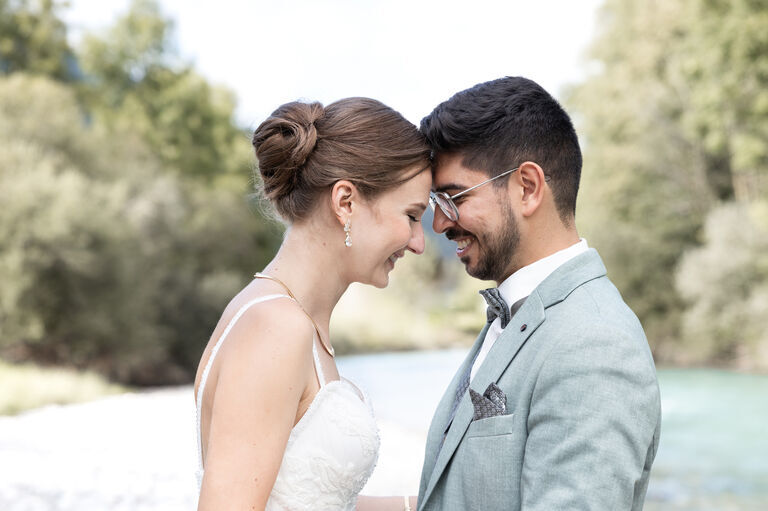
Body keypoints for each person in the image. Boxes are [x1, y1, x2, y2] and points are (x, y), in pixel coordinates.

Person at [414, 77, 662, 510]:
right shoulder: (522, 314)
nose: (439, 224)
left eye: (452, 198)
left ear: (527, 187)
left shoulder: (594, 342)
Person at [194, 97, 432, 511]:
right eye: (411, 215)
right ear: (345, 202)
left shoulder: (289, 318)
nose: (419, 243)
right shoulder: (276, 327)